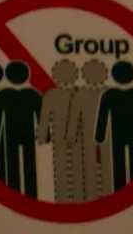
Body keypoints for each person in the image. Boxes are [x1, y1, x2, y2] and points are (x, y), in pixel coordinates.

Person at [94, 60, 133, 192]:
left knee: (121, 162)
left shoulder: (110, 95)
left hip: (120, 135)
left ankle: (123, 189)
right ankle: (130, 189)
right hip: (132, 134)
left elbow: (102, 117)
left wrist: (100, 136)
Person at [0, 61, 42, 197]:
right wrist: (44, 135)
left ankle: (15, 191)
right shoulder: (32, 94)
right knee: (29, 164)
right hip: (27, 134)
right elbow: (40, 116)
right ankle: (31, 193)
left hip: (10, 134)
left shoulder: (3, 95)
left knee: (12, 163)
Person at [36, 59, 81, 203]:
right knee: (72, 168)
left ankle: (67, 199)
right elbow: (44, 117)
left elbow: (44, 118)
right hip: (70, 137)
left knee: (68, 168)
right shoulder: (75, 93)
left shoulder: (52, 95)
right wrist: (43, 135)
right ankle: (69, 200)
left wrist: (43, 136)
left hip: (71, 137)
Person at [66, 59, 109, 201]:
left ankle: (108, 196)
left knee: (107, 168)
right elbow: (74, 117)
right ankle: (91, 198)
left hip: (108, 139)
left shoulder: (108, 93)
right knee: (89, 167)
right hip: (87, 137)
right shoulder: (80, 95)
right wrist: (71, 136)